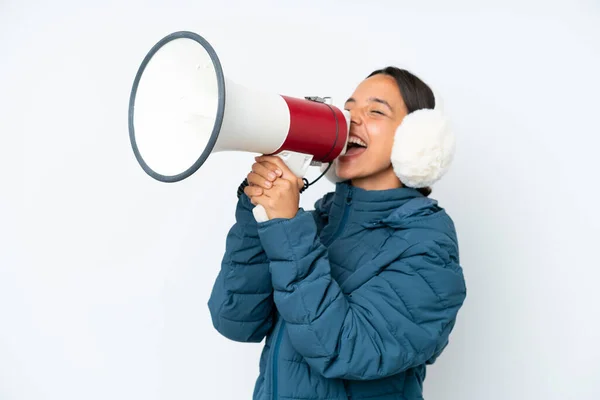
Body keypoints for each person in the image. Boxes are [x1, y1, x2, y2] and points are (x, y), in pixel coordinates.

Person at [208, 66, 467, 400]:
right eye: (348, 109)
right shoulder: (314, 227)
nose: (350, 120)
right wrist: (256, 212)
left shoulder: (429, 245)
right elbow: (236, 318)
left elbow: (346, 350)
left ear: (417, 140)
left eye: (375, 111)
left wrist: (286, 227)